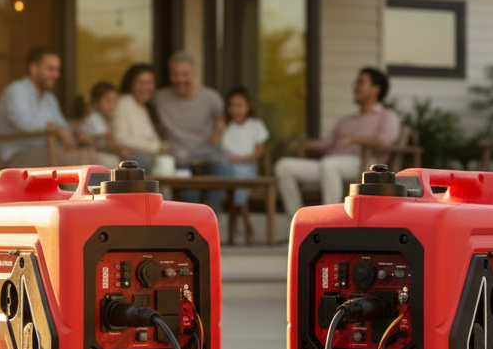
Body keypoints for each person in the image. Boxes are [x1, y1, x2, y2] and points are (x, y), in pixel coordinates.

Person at [275, 67, 401, 217]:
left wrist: (355, 139)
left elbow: (385, 142)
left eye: (361, 83)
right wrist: (307, 144)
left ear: (376, 89)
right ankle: (298, 220)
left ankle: (330, 220)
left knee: (329, 165)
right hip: (330, 164)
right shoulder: (346, 120)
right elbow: (327, 143)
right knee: (284, 167)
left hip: (366, 164)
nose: (355, 87)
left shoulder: (387, 116)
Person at [153, 52, 226, 211]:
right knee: (188, 194)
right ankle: (193, 227)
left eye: (185, 74)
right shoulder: (159, 98)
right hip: (177, 156)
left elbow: (221, 118)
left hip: (207, 153)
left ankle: (213, 220)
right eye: (175, 74)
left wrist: (216, 133)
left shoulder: (211, 97)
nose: (180, 79)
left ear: (193, 74)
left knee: (224, 170)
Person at [0, 47, 77, 167]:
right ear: (33, 68)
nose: (56, 75)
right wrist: (55, 128)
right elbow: (25, 123)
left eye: (57, 70)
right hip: (19, 155)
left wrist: (69, 133)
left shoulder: (49, 98)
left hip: (48, 152)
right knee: (75, 161)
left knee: (85, 157)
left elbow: (63, 125)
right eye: (50, 69)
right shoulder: (16, 90)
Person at [216, 86, 269, 245]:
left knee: (239, 178)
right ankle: (246, 224)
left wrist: (241, 159)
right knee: (231, 175)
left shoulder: (255, 125)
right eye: (231, 106)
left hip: (248, 168)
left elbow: (259, 151)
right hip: (228, 171)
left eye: (239, 105)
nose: (235, 110)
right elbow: (213, 146)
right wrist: (218, 128)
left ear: (248, 106)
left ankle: (239, 225)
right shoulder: (226, 127)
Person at [112, 63, 164, 169]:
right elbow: (120, 138)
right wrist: (154, 147)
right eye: (140, 83)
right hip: (132, 160)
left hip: (150, 158)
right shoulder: (124, 103)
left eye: (149, 83)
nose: (145, 87)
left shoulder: (149, 107)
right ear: (131, 84)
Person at [78, 80, 122, 168]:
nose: (112, 105)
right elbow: (108, 144)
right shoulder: (94, 118)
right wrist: (121, 150)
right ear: (96, 103)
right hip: (88, 157)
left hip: (96, 155)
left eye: (114, 101)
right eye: (108, 101)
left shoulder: (105, 119)